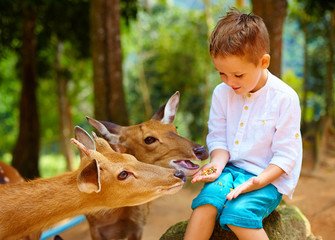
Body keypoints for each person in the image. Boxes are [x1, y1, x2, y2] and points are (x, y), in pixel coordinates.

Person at [184, 9, 302, 240]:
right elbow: (218, 137)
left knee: (238, 214)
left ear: (263, 62)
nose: (229, 82)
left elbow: (287, 155)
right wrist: (216, 165)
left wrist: (258, 181)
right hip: (229, 170)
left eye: (238, 75)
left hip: (266, 177)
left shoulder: (285, 98)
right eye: (222, 74)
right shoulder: (222, 93)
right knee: (206, 202)